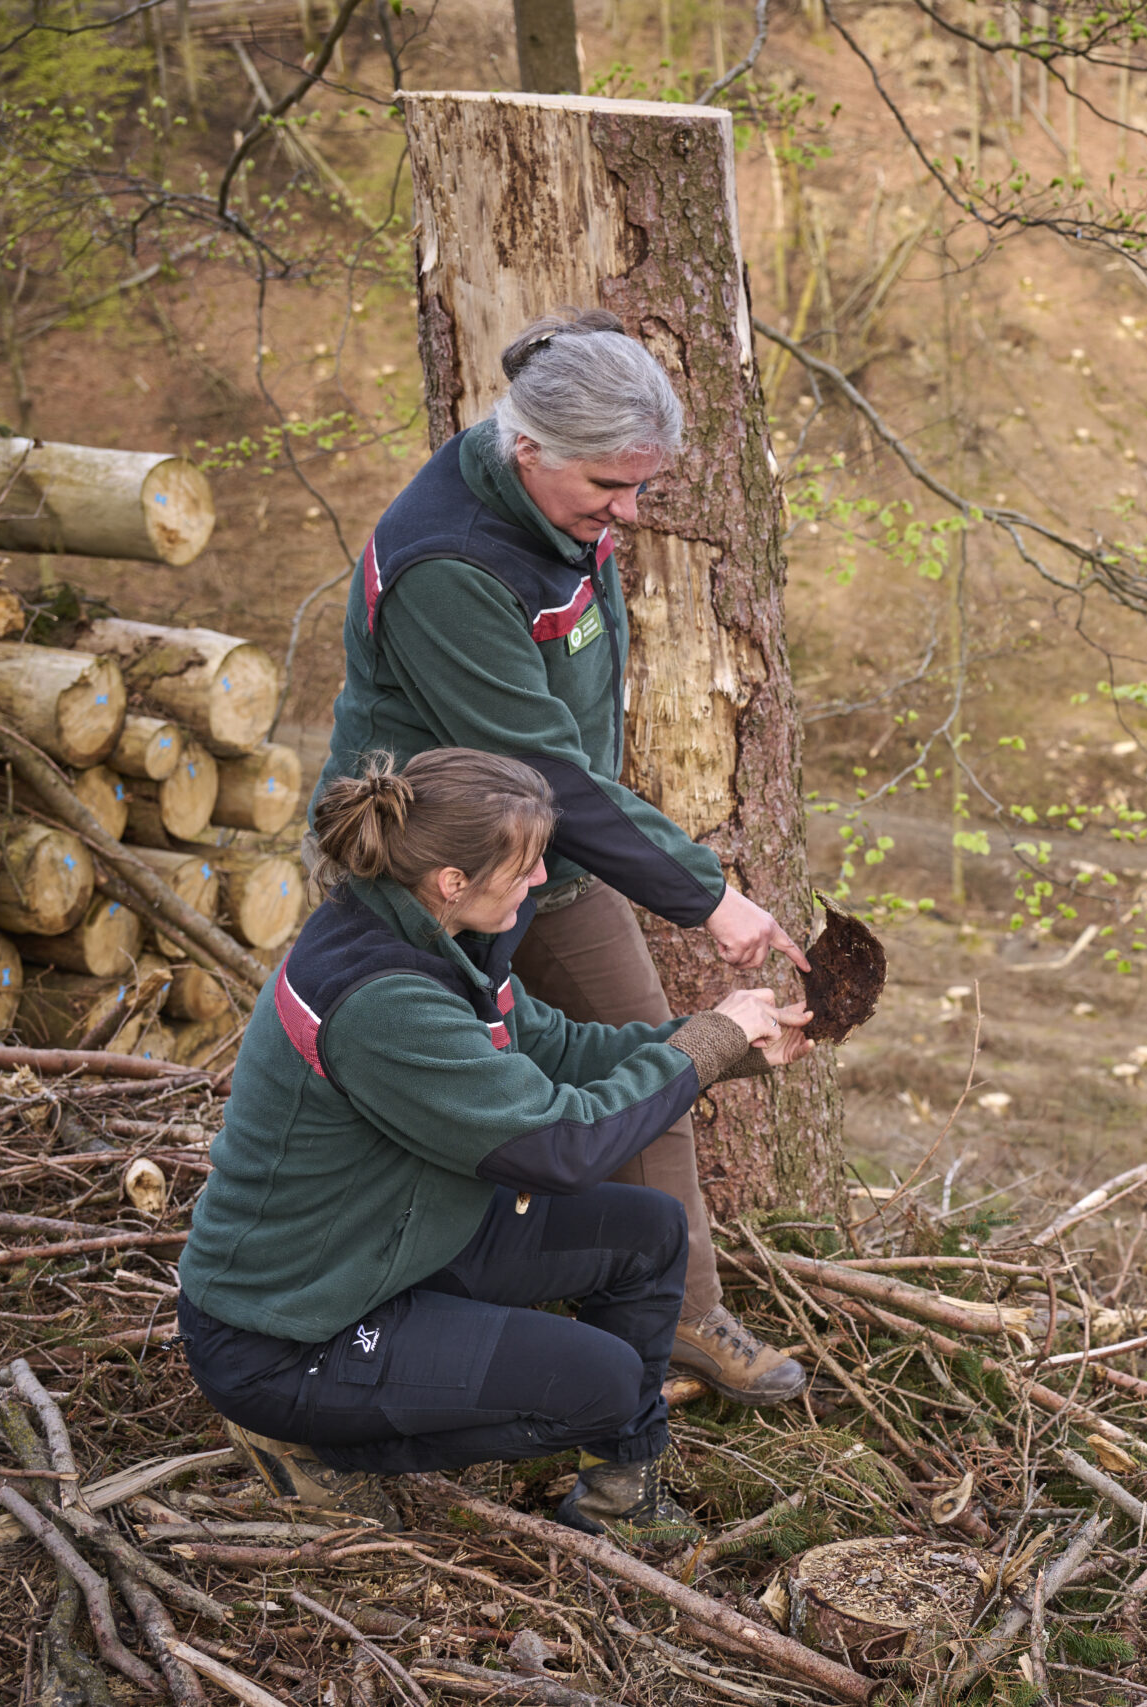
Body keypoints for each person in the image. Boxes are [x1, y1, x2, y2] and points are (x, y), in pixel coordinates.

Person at [321, 305, 809, 1405]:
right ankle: (382, 1323)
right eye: (608, 488)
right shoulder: (449, 564)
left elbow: (557, 778)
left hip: (552, 845)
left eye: (640, 487)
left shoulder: (558, 500)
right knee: (438, 1089)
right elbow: (543, 766)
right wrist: (708, 896)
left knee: (652, 1056)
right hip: (430, 870)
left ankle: (680, 1316)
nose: (627, 513)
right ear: (528, 446)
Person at [178, 749, 811, 1542]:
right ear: (452, 879)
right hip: (290, 1333)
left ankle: (620, 1501)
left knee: (648, 1232)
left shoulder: (441, 940)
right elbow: (562, 1147)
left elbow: (565, 1050)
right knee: (606, 1382)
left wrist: (732, 1048)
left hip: (390, 1243)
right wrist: (705, 1046)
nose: (542, 877)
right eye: (525, 865)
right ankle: (306, 1444)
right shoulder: (383, 1000)